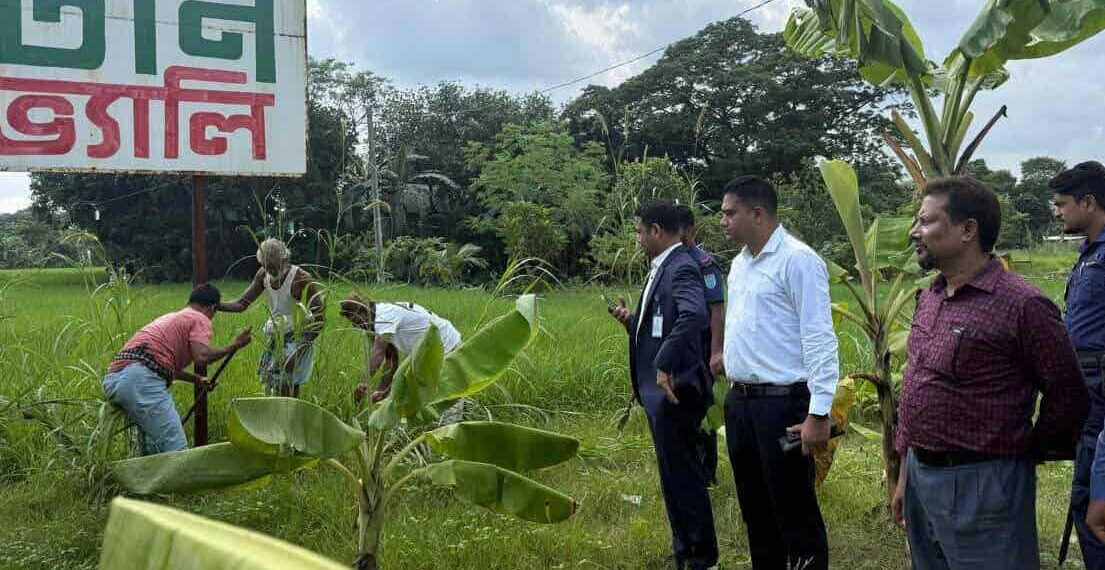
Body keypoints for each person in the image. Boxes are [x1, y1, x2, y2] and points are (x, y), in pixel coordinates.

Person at [891, 176, 1088, 570]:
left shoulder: (1022, 305)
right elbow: (917, 385)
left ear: (967, 230)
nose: (915, 232)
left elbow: (1068, 392)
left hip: (984, 484)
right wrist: (904, 473)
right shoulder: (930, 295)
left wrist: (1023, 450)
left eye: (926, 222)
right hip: (920, 475)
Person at [718, 176, 838, 570]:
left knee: (793, 508)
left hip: (782, 403)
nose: (723, 221)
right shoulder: (739, 265)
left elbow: (819, 338)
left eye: (729, 213)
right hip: (740, 403)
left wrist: (819, 413)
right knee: (756, 508)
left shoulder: (798, 260)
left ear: (758, 213)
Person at [609, 200, 717, 570]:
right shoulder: (665, 267)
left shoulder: (681, 266)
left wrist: (664, 363)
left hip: (676, 390)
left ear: (656, 230)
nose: (637, 239)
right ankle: (684, 550)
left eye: (640, 231)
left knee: (684, 477)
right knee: (673, 476)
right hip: (661, 392)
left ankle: (702, 557)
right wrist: (632, 322)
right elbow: (665, 321)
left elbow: (695, 315)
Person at [102, 284, 252, 455]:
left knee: (153, 449)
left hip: (115, 380)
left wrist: (197, 380)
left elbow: (158, 361)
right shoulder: (199, 318)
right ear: (212, 308)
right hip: (141, 381)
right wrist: (235, 345)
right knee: (176, 448)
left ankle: (147, 480)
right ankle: (185, 481)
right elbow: (202, 356)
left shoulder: (171, 317)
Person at [1053, 162, 1105, 562]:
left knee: (1092, 503)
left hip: (1099, 384)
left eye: (1063, 203)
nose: (1058, 212)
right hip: (1085, 384)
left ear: (1089, 202)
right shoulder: (1089, 253)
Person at [218, 238, 324, 397]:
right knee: (275, 391)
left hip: (298, 338)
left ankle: (288, 421)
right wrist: (214, 305)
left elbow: (319, 318)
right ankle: (279, 421)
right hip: (276, 337)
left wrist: (297, 352)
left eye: (273, 267)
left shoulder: (301, 277)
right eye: (266, 267)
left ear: (285, 259)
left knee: (286, 392)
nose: (270, 271)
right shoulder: (263, 274)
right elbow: (241, 304)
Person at [676, 203, 725, 486]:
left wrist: (716, 350)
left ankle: (707, 474)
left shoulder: (704, 264)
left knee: (704, 408)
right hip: (681, 347)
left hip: (703, 344)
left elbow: (717, 308)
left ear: (689, 230)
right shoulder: (670, 263)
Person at [339, 292, 463, 404]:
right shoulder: (377, 323)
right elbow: (391, 359)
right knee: (430, 396)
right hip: (433, 351)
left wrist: (362, 383)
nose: (356, 326)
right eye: (353, 323)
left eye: (356, 320)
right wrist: (383, 391)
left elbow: (377, 356)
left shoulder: (384, 317)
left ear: (364, 311)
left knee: (447, 396)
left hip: (446, 344)